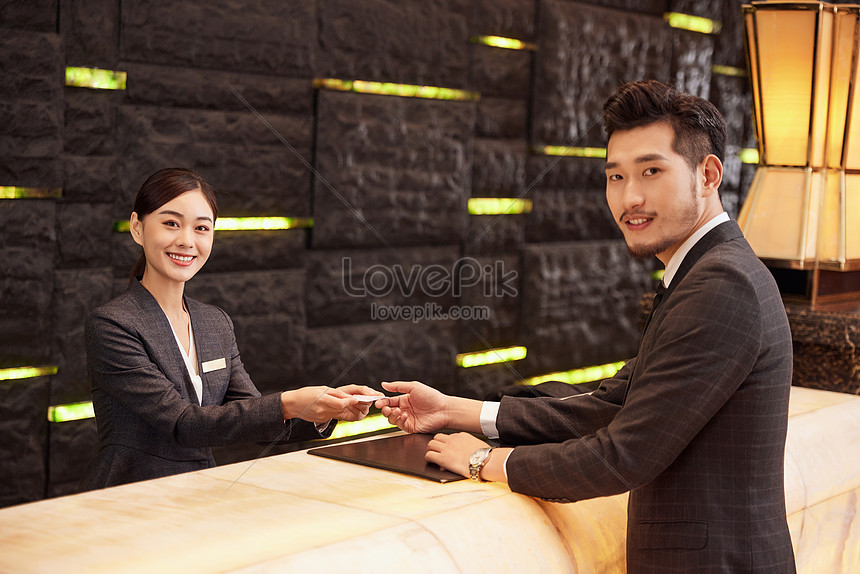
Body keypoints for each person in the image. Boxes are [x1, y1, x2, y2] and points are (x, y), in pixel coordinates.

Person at [376, 80, 796, 572]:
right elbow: (609, 407)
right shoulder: (707, 271)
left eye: (652, 171)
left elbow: (622, 455)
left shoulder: (722, 282)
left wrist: (482, 462)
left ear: (708, 174)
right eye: (615, 177)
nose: (630, 197)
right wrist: (455, 410)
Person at [83, 168, 381, 489]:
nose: (186, 240)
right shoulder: (113, 325)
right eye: (171, 223)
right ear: (137, 228)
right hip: (130, 499)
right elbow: (185, 425)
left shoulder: (215, 322)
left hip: (199, 497)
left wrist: (327, 410)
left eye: (201, 228)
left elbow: (253, 419)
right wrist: (291, 402)